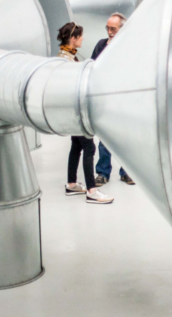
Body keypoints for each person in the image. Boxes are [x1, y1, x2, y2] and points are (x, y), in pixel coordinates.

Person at [59, 22, 114, 204]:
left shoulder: (68, 56)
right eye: (80, 36)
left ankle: (72, 184)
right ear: (73, 38)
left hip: (72, 111)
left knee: (76, 145)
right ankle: (92, 190)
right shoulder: (66, 60)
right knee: (89, 147)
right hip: (77, 112)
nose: (83, 39)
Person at [94, 13, 135, 187]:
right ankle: (103, 172)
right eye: (108, 28)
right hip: (106, 99)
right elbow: (93, 67)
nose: (110, 32)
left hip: (124, 99)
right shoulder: (101, 45)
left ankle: (127, 172)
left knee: (126, 137)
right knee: (105, 138)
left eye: (113, 29)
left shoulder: (130, 46)